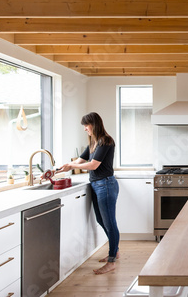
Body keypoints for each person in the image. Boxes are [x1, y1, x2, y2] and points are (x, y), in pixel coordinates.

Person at [58, 112, 120, 275]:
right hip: (97, 185)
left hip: (106, 185)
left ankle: (112, 260)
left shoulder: (105, 141)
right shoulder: (93, 142)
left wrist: (71, 167)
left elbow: (93, 165)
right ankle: (115, 250)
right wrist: (64, 166)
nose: (85, 129)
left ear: (94, 124)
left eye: (87, 125)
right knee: (101, 220)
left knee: (110, 222)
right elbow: (80, 161)